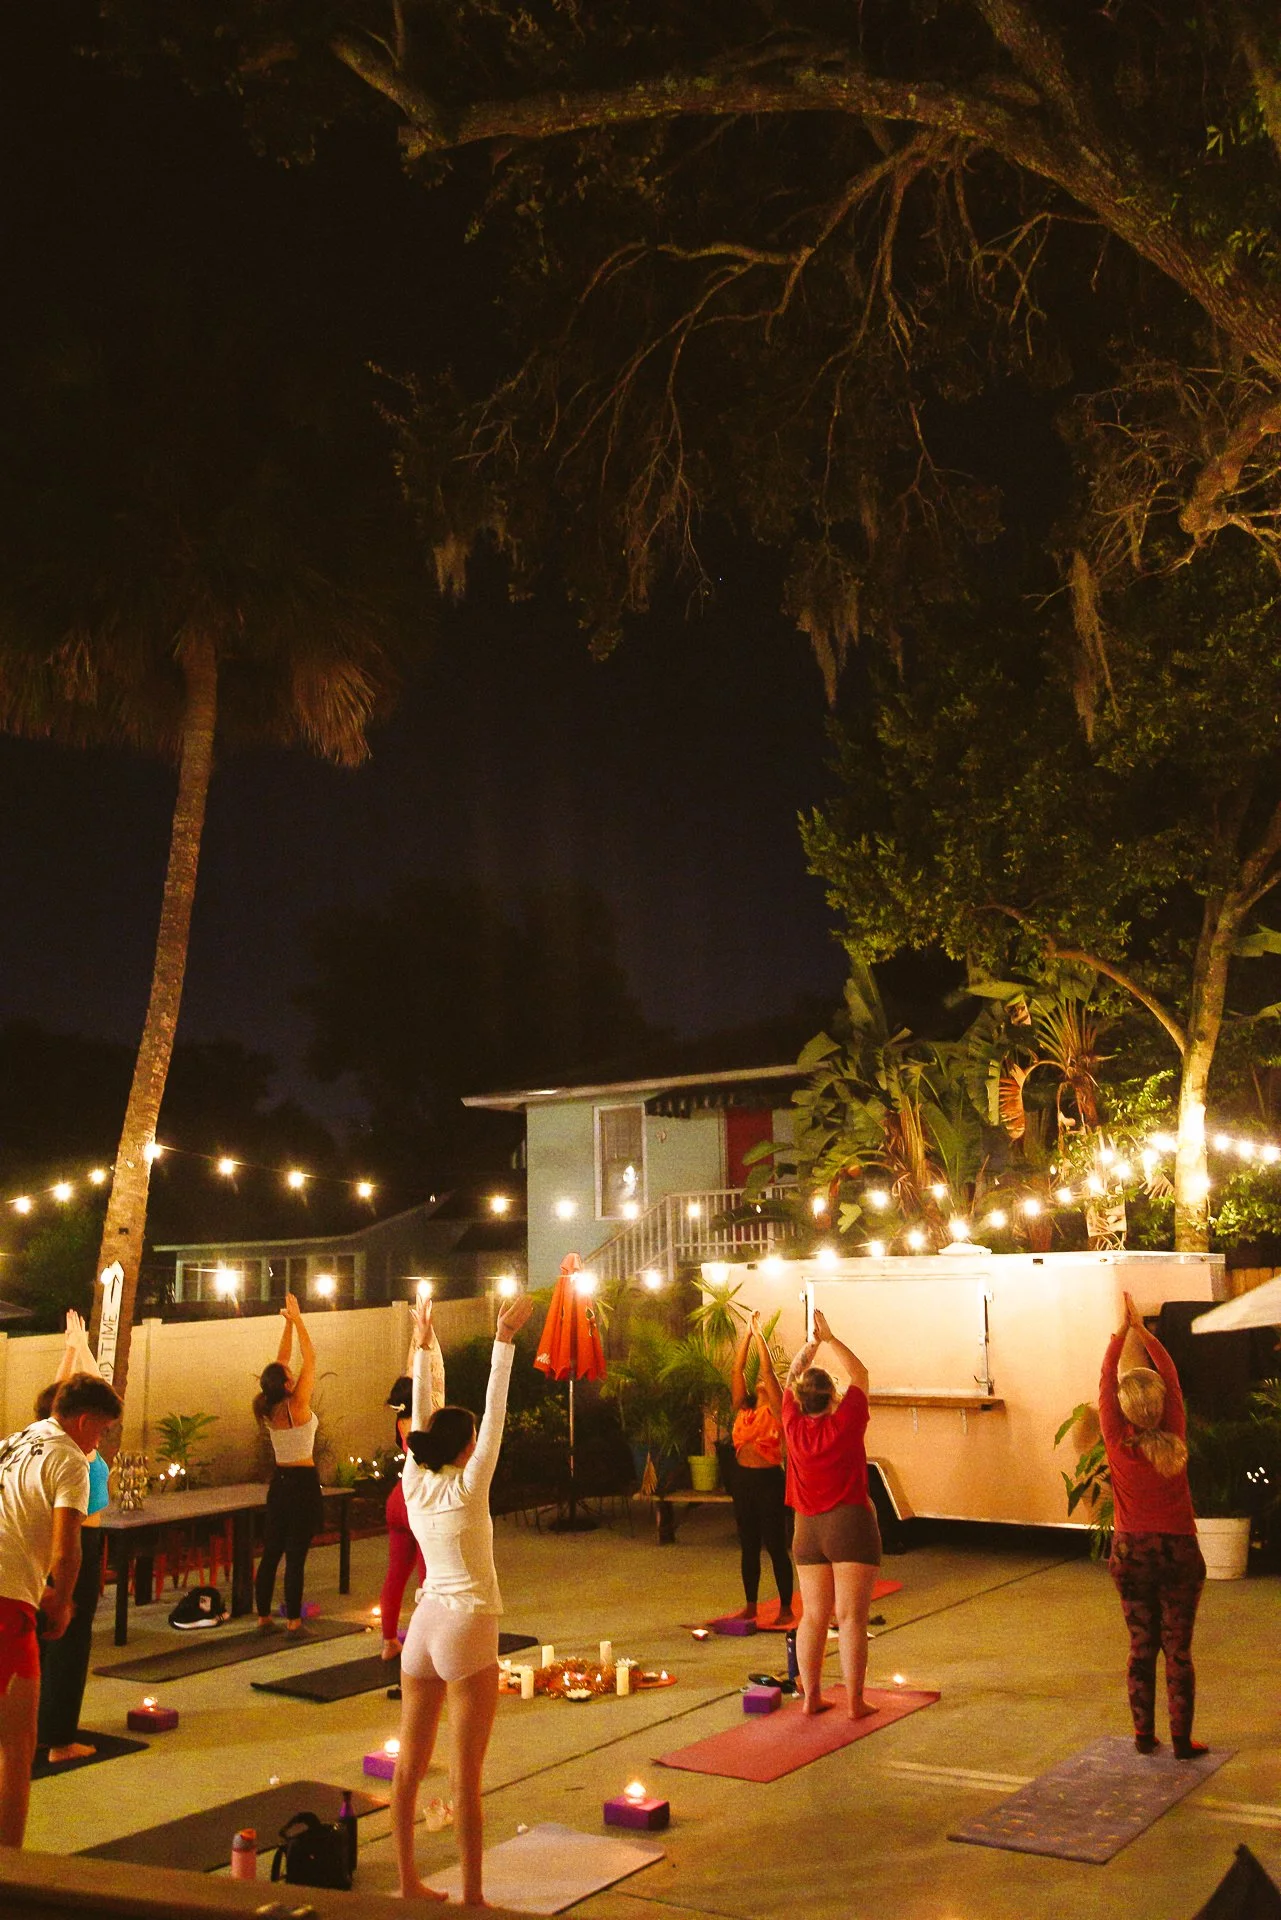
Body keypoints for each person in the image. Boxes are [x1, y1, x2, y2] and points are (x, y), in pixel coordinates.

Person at [391, 1285, 534, 1907]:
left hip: (422, 1626)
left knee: (409, 1763)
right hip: (467, 1622)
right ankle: (473, 1897)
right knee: (465, 1774)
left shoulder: (414, 1474)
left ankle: (408, 1882)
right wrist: (502, 1344)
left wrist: (423, 1348)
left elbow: (424, 1416)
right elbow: (495, 1412)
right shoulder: (469, 1485)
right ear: (468, 1447)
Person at [0, 1370, 122, 1845]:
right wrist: (63, 1598)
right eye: (103, 1430)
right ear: (86, 1420)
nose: (102, 1440)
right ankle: (12, 1867)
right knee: (18, 1745)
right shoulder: (70, 1458)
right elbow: (67, 1548)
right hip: (7, 1602)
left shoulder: (13, 1440)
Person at [1100, 1290, 1207, 1759]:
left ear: (1123, 1409)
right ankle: (1182, 1741)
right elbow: (1173, 1376)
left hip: (1132, 1554)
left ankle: (1144, 1737)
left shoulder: (1117, 1439)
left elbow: (1106, 1379)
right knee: (1177, 1652)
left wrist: (1121, 1333)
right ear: (1164, 1404)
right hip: (1179, 1553)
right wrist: (1145, 1331)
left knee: (1141, 1648)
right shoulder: (1176, 1431)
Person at [781, 1306, 881, 1720]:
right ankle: (855, 1702)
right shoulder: (847, 1422)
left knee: (814, 1616)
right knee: (852, 1618)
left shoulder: (791, 1421)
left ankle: (811, 1698)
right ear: (833, 1397)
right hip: (849, 1524)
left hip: (806, 1530)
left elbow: (789, 1378)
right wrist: (832, 1337)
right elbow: (862, 1374)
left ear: (802, 1400)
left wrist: (811, 1346)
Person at [35, 1311, 113, 1766]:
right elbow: (89, 1391)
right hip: (77, 1547)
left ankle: (45, 1729)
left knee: (48, 1643)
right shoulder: (76, 1450)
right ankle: (61, 1739)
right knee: (70, 1642)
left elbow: (65, 1394)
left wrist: (71, 1347)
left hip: (52, 1544)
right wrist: (80, 1350)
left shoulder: (45, 1441)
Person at [254, 1291, 322, 1633]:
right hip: (302, 1485)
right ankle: (294, 1620)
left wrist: (286, 1325)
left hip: (278, 1486)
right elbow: (310, 1358)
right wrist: (298, 1320)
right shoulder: (296, 1406)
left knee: (271, 1552)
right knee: (295, 1555)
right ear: (286, 1383)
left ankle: (264, 1615)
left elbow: (279, 1362)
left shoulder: (268, 1406)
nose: (292, 1370)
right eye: (288, 1373)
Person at [379, 1324, 444, 1664]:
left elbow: (413, 1375)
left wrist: (418, 1339)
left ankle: (389, 1641)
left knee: (395, 1573)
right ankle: (427, 1643)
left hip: (397, 1497)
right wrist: (428, 1344)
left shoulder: (401, 1422)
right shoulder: (426, 1418)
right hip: (418, 1501)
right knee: (427, 1574)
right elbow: (433, 1382)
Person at [727, 1311, 794, 1626]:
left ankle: (785, 1608)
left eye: (764, 1382)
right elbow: (737, 1368)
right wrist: (747, 1336)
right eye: (758, 1383)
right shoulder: (744, 1407)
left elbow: (766, 1369)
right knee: (748, 1544)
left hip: (769, 1480)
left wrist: (759, 1336)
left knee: (776, 1545)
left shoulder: (778, 1410)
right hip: (743, 1480)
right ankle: (751, 1604)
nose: (759, 1381)